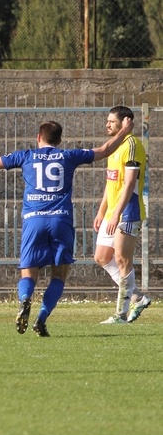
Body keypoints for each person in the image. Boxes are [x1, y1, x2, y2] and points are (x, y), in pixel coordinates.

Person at [0, 118, 132, 337]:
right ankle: (41, 317)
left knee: (28, 273)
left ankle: (25, 300)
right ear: (60, 140)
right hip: (60, 220)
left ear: (38, 138)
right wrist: (124, 131)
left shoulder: (26, 156)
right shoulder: (69, 155)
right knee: (59, 275)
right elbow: (104, 150)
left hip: (34, 220)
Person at [92, 106, 152, 324]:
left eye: (111, 121)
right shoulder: (115, 147)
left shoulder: (132, 145)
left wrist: (117, 212)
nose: (107, 124)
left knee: (122, 259)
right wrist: (102, 211)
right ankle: (138, 297)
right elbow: (111, 183)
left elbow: (129, 183)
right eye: (107, 121)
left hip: (128, 211)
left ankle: (121, 314)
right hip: (112, 212)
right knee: (101, 257)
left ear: (125, 121)